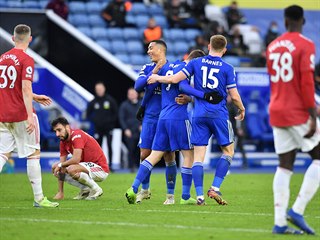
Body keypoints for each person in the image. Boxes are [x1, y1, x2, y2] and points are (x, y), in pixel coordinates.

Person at [148, 35, 245, 206]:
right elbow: (234, 95)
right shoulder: (228, 68)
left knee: (198, 157)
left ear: (208, 46)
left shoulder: (195, 63)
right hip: (219, 114)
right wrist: (241, 108)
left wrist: (157, 78)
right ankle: (214, 187)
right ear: (225, 49)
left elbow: (174, 80)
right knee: (228, 151)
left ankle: (199, 196)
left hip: (199, 115)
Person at [266, 5, 320, 235]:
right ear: (303, 21)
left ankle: (280, 223)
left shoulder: (272, 46)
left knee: (284, 165)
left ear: (285, 21)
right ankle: (297, 210)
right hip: (297, 110)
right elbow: (307, 83)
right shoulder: (306, 44)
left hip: (276, 108)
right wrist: (312, 113)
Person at [0, 24, 59, 208]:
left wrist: (34, 96)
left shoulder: (2, 58)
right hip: (20, 113)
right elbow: (25, 87)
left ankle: (39, 199)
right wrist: (28, 115)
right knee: (33, 153)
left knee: (2, 154)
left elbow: (9, 86)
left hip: (2, 114)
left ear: (12, 38)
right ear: (30, 39)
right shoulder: (26, 59)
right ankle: (39, 198)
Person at [52, 117, 109, 200]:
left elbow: (76, 159)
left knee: (70, 168)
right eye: (55, 131)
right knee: (55, 168)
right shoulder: (63, 142)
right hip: (85, 167)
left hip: (100, 169)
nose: (57, 134)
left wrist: (61, 165)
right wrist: (61, 192)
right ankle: (85, 189)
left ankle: (96, 189)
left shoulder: (77, 135)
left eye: (59, 130)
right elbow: (62, 167)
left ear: (67, 127)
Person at [86, 81, 118, 171]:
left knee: (109, 145)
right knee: (97, 147)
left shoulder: (110, 100)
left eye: (100, 89)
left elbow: (115, 113)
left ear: (104, 89)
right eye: (97, 89)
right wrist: (95, 121)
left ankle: (110, 165)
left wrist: (110, 123)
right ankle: (98, 165)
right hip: (98, 129)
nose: (99, 91)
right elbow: (88, 114)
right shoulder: (93, 102)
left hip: (108, 128)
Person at [118, 88, 141, 172]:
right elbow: (121, 118)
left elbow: (146, 116)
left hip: (140, 131)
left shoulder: (141, 104)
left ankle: (140, 166)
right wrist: (125, 129)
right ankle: (131, 167)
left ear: (136, 94)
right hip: (129, 131)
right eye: (130, 94)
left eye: (133, 93)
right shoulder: (124, 105)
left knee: (140, 149)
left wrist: (143, 125)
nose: (132, 95)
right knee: (130, 149)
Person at [226, 95, 247, 168]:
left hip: (237, 130)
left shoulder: (234, 105)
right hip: (232, 130)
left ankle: (244, 163)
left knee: (238, 147)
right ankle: (228, 164)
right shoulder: (227, 105)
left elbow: (238, 117)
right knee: (235, 147)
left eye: (228, 97)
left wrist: (239, 128)